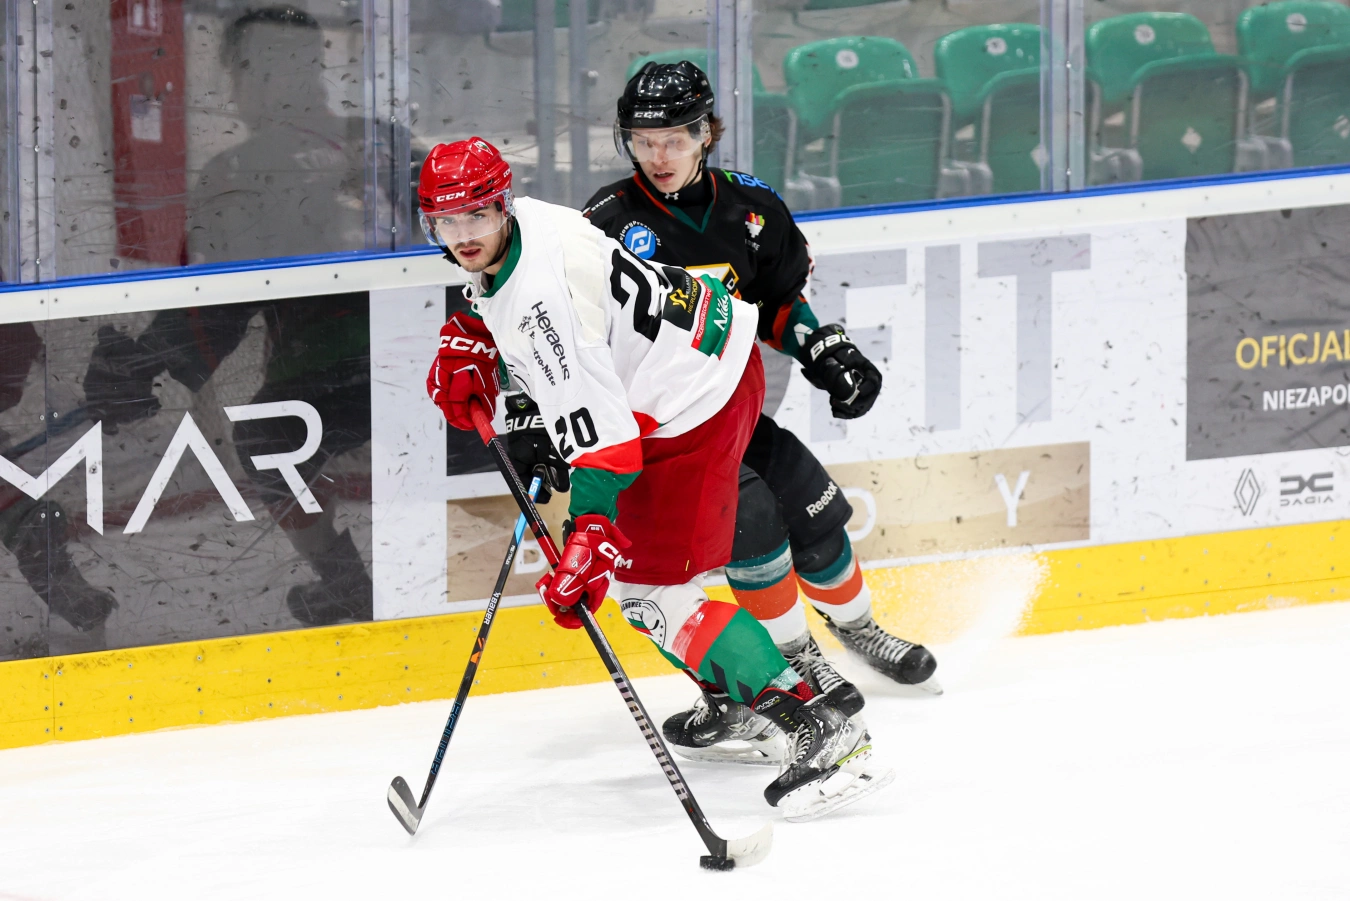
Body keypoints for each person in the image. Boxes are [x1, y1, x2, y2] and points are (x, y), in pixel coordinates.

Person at [420, 136, 891, 818]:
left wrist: (590, 533)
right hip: (700, 360)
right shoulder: (532, 220)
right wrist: (470, 327)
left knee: (651, 593)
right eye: (446, 220)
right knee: (646, 584)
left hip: (694, 401)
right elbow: (512, 299)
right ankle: (737, 698)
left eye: (476, 216)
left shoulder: (546, 310)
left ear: (501, 205)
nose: (464, 235)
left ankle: (817, 725)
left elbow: (607, 445)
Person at [506, 60, 938, 766]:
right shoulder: (605, 223)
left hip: (730, 408)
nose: (659, 156)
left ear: (707, 133)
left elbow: (780, 302)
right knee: (752, 529)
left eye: (675, 139)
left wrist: (822, 348)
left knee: (813, 510)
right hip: (660, 433)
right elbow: (555, 326)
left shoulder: (752, 208)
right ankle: (795, 662)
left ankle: (859, 630)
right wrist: (536, 414)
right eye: (644, 141)